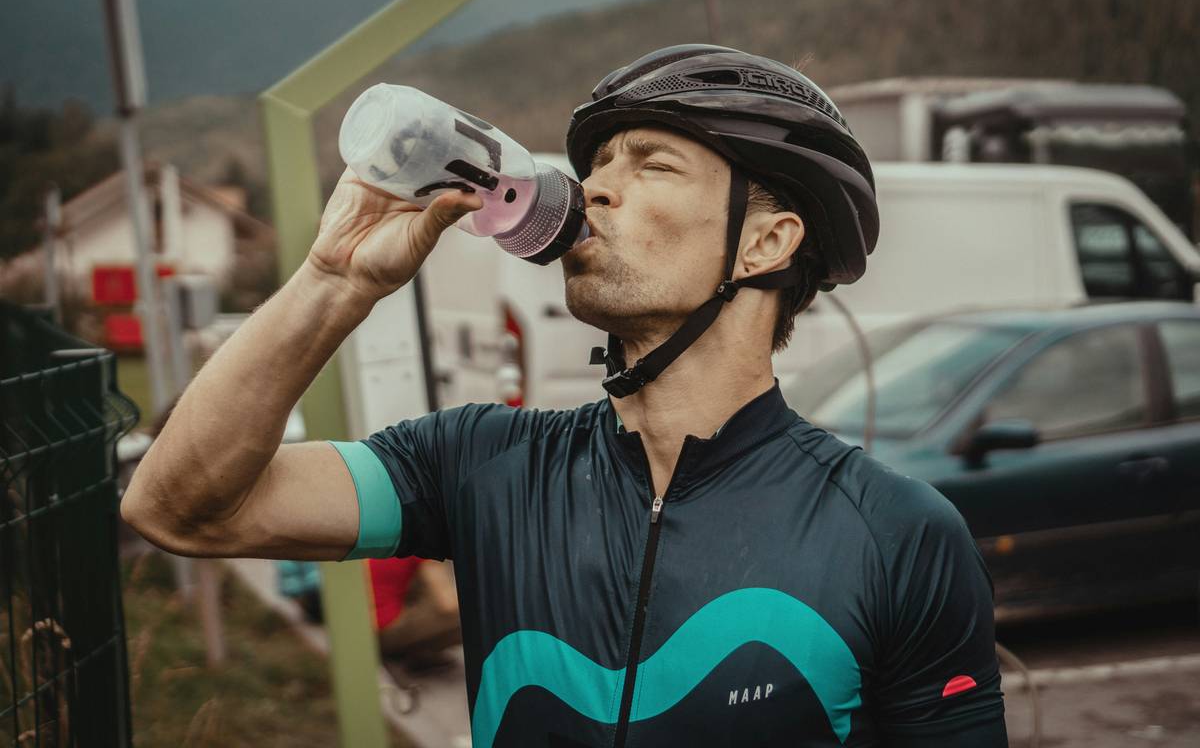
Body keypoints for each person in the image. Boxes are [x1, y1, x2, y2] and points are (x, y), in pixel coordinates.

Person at [122, 44, 1007, 747]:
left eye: (651, 165)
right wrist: (332, 279)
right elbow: (183, 509)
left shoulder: (894, 533)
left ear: (765, 243)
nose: (595, 187)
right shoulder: (480, 460)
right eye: (597, 163)